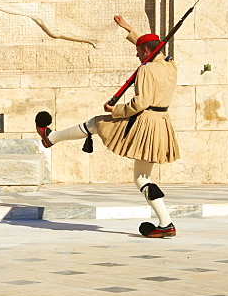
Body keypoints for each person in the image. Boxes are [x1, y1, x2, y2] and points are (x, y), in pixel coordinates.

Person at [35, 15, 179, 238]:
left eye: (139, 51)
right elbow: (152, 47)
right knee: (142, 178)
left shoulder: (145, 70)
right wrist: (129, 29)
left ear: (146, 52)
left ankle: (51, 138)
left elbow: (140, 103)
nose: (136, 54)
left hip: (143, 123)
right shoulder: (170, 66)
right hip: (161, 124)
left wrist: (116, 110)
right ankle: (166, 223)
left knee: (98, 122)